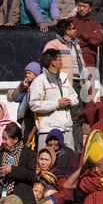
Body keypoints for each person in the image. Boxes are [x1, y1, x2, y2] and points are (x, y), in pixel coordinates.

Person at [42, 19, 91, 156]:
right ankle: (64, 149)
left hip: (77, 83)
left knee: (78, 116)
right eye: (73, 28)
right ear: (67, 31)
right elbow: (48, 64)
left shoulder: (76, 45)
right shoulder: (53, 45)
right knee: (64, 116)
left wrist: (86, 79)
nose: (76, 30)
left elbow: (82, 64)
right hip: (63, 84)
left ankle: (79, 148)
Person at [29, 48, 79, 152]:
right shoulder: (40, 81)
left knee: (68, 162)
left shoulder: (64, 78)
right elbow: (34, 105)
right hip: (48, 131)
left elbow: (75, 97)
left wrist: (69, 101)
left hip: (66, 129)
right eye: (59, 59)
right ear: (53, 63)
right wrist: (56, 104)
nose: (61, 62)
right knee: (47, 163)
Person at [0, 123, 37, 204]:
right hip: (4, 202)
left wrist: (12, 170)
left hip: (23, 202)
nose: (3, 141)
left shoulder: (29, 154)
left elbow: (31, 174)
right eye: (2, 138)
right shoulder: (1, 153)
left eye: (5, 139)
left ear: (15, 140)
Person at [7, 61, 41, 143]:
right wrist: (22, 87)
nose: (27, 75)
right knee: (25, 137)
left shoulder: (40, 84)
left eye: (30, 73)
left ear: (36, 75)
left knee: (37, 138)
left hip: (37, 115)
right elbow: (15, 98)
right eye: (26, 73)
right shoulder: (25, 86)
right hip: (26, 116)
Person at [71, 0, 103, 68]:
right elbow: (69, 38)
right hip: (72, 57)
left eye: (84, 6)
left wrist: (82, 34)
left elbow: (98, 39)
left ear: (90, 9)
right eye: (80, 6)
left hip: (89, 59)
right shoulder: (71, 21)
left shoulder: (94, 24)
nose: (81, 9)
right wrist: (88, 40)